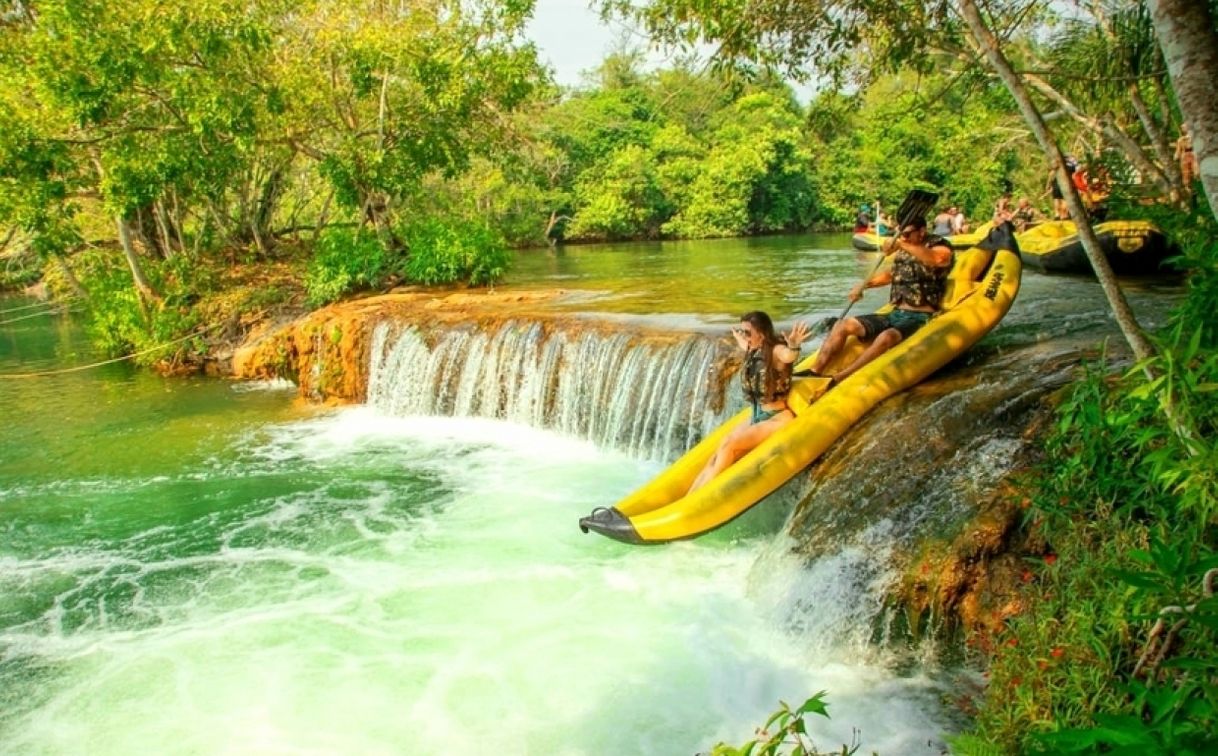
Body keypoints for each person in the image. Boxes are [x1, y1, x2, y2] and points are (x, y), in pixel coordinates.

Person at [805, 215, 953, 387]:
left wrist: (900, 243)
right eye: (900, 234)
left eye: (906, 234)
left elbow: (938, 259)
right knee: (842, 325)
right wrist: (864, 285)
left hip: (920, 316)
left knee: (886, 336)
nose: (903, 237)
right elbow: (891, 275)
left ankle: (840, 378)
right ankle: (814, 371)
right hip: (895, 313)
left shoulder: (939, 245)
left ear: (922, 231)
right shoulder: (906, 248)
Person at [687, 311, 810, 494]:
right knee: (719, 450)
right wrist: (738, 336)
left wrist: (793, 345)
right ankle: (689, 497)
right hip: (756, 414)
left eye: (747, 332)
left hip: (776, 418)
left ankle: (703, 497)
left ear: (761, 333)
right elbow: (744, 344)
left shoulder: (776, 351)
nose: (745, 336)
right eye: (742, 331)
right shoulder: (753, 347)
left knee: (730, 446)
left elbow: (788, 357)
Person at [1176, 124, 1199, 188]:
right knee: (1185, 172)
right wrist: (1177, 155)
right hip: (1185, 155)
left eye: (1185, 127)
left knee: (1196, 170)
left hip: (1193, 153)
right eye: (1183, 127)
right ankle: (1187, 185)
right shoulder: (1180, 140)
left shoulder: (1193, 136)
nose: (1184, 128)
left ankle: (1197, 177)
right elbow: (1178, 150)